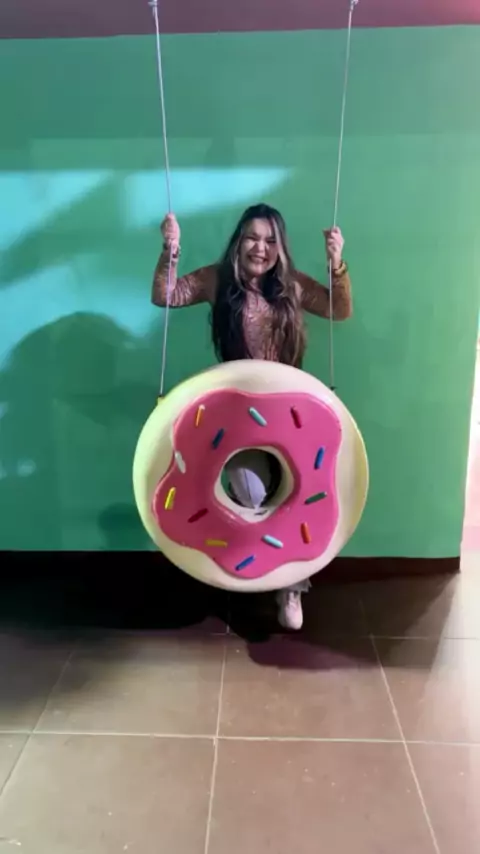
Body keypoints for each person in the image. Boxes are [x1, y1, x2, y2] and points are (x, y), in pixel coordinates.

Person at [152, 203, 352, 630]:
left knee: (303, 496)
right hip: (238, 416)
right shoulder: (217, 279)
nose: (260, 248)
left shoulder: (291, 285)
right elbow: (166, 295)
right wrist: (171, 250)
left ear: (280, 248)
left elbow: (339, 309)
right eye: (252, 238)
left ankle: (292, 586)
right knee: (252, 492)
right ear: (238, 241)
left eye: (270, 240)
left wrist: (337, 264)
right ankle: (262, 568)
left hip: (291, 412)